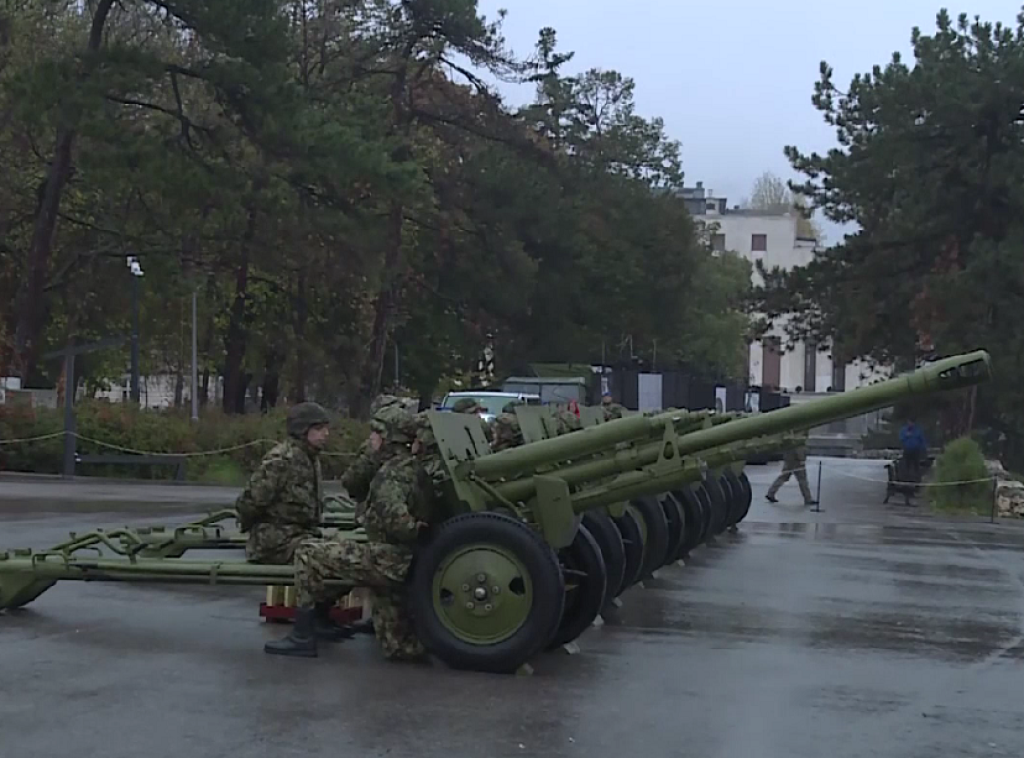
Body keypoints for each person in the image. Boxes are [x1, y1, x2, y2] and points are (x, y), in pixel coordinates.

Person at [264, 407, 437, 661]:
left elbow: (399, 523)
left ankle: (302, 636)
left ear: (388, 438)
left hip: (390, 560)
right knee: (399, 648)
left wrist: (408, 528)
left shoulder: (391, 474)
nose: (371, 440)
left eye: (376, 434)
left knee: (308, 552)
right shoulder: (413, 468)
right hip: (406, 560)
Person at [235, 401, 330, 565]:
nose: (326, 434)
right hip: (275, 543)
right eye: (318, 429)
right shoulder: (282, 460)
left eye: (326, 428)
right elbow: (249, 503)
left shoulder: (310, 458)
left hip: (300, 537)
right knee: (333, 559)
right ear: (302, 430)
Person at [765, 438, 817, 506]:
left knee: (783, 477)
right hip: (797, 462)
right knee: (802, 480)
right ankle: (808, 498)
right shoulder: (798, 438)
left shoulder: (789, 437)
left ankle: (771, 493)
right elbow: (799, 448)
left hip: (789, 459)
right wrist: (802, 459)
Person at [899, 418, 928, 483]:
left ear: (914, 423)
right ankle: (906, 479)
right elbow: (901, 438)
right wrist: (906, 436)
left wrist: (924, 449)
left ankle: (917, 480)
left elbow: (922, 440)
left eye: (911, 422)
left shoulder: (918, 430)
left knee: (916, 465)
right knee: (907, 465)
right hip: (907, 450)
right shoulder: (904, 430)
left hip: (916, 450)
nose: (910, 424)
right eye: (909, 422)